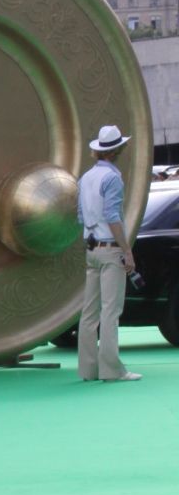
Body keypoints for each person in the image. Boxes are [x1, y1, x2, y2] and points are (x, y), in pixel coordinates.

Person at [77, 123, 140, 383]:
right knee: (110, 311)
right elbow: (113, 216)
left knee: (89, 313)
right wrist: (127, 251)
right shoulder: (112, 178)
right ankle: (112, 370)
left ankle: (88, 369)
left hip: (91, 248)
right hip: (110, 249)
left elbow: (81, 215)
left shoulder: (86, 178)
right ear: (117, 150)